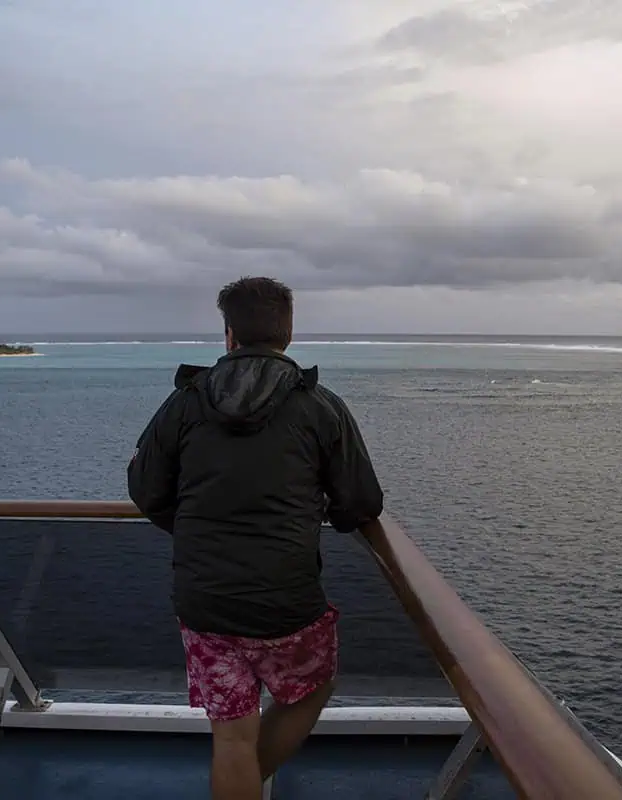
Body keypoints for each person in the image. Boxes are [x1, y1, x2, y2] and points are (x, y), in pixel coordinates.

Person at [127, 276, 384, 800]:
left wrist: (199, 529)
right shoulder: (321, 407)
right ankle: (243, 775)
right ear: (287, 334)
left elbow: (146, 490)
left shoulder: (185, 403)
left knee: (232, 737)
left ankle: (237, 772)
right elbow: (361, 504)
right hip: (287, 599)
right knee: (314, 688)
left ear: (228, 335)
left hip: (206, 603)